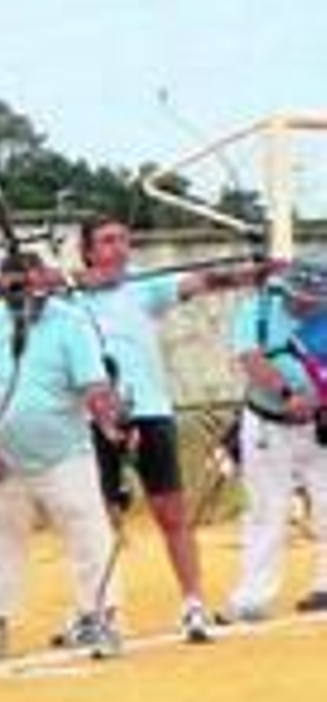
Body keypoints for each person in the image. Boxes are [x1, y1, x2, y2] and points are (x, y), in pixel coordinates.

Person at [66, 216, 271, 642]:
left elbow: (205, 281)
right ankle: (99, 610)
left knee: (171, 514)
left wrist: (258, 272)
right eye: (107, 242)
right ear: (86, 250)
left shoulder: (144, 290)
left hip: (150, 411)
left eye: (124, 240)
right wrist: (73, 280)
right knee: (98, 520)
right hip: (92, 417)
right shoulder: (68, 299)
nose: (119, 249)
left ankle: (193, 603)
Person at [0, 253, 127, 661]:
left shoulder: (70, 321)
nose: (24, 297)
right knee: (2, 546)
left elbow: (94, 385)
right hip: (3, 459)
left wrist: (112, 423)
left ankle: (100, 619)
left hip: (66, 454)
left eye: (31, 287)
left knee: (90, 537)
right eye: (14, 288)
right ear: (2, 287)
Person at [226, 257, 327, 620]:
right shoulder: (257, 310)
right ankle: (253, 596)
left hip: (320, 423)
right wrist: (288, 395)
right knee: (267, 508)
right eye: (298, 297)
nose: (304, 305)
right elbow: (252, 359)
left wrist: (317, 400)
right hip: (268, 422)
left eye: (314, 299)